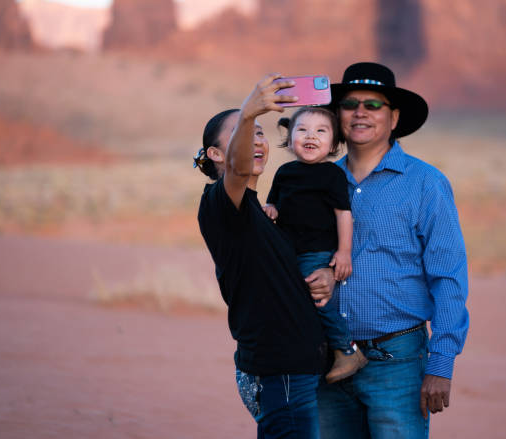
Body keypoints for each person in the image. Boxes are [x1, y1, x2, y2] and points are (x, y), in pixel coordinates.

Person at [316, 62, 469, 439]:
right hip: (327, 361)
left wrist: (442, 363)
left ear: (394, 117)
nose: (360, 112)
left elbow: (448, 276)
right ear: (338, 116)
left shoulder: (426, 184)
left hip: (397, 361)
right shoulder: (318, 182)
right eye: (350, 103)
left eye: (373, 104)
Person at [194, 74, 335, 439]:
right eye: (244, 133)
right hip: (280, 373)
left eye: (259, 133)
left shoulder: (264, 214)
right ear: (215, 154)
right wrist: (248, 113)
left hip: (295, 373)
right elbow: (239, 169)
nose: (256, 140)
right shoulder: (220, 205)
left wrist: (323, 278)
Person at [263, 106, 368, 384]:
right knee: (288, 300)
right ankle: (300, 350)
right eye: (302, 130)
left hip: (318, 250)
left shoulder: (332, 175)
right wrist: (271, 208)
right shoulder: (285, 172)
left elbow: (343, 214)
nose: (311, 136)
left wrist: (343, 252)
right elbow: (273, 202)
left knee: (318, 297)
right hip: (288, 250)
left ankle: (346, 350)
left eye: (321, 131)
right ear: (290, 138)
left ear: (334, 143)